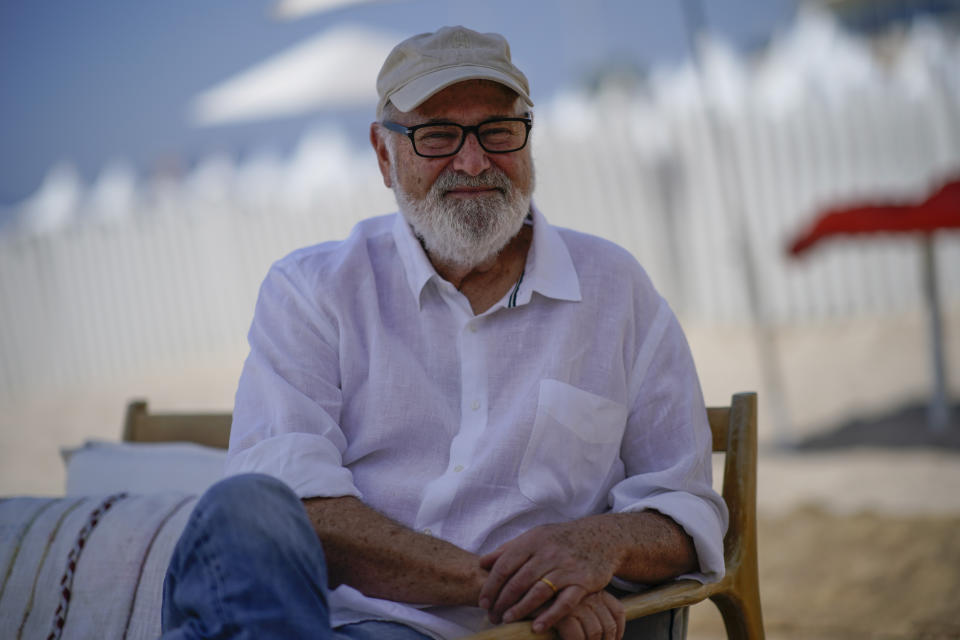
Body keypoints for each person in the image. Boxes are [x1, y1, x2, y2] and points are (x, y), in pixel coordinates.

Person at [161, 26, 728, 640]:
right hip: (344, 626)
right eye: (437, 135)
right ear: (384, 156)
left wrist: (603, 541)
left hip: (524, 638)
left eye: (498, 130)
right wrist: (512, 588)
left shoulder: (615, 289)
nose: (474, 160)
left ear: (527, 139)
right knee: (242, 509)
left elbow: (686, 509)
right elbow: (294, 505)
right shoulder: (312, 290)